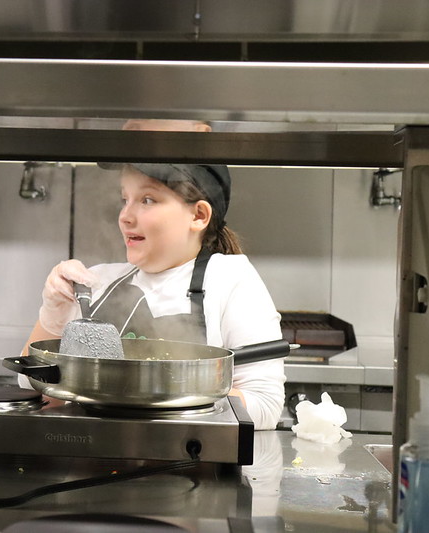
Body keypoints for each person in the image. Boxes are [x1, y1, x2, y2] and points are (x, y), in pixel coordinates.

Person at [24, 162, 286, 430]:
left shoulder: (230, 278)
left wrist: (153, 389)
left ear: (198, 215)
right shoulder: (96, 282)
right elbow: (29, 385)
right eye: (125, 199)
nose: (125, 216)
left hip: (186, 463)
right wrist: (53, 315)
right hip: (94, 457)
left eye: (147, 200)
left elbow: (265, 406)